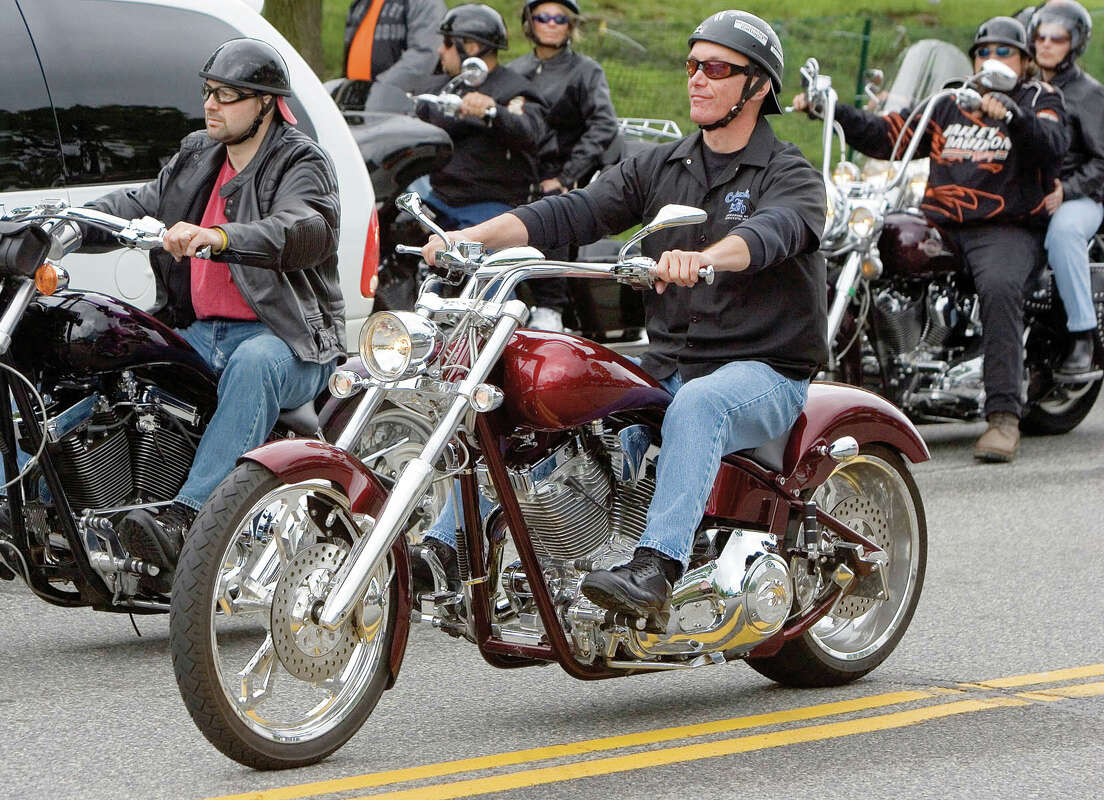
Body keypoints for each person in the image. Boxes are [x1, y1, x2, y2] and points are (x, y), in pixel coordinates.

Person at [415, 10, 827, 625]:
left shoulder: (789, 173)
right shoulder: (660, 166)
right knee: (528, 394)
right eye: (693, 65)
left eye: (716, 69)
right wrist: (468, 239)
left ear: (758, 86)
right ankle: (448, 549)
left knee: (701, 404)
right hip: (668, 361)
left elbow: (772, 233)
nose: (697, 79)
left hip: (762, 370)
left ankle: (656, 568)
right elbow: (569, 213)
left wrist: (705, 258)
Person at [80, 39, 344, 590]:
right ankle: (50, 506)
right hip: (202, 332)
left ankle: (189, 519)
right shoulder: (198, 154)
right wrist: (61, 221)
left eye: (228, 95)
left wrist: (220, 237)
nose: (212, 105)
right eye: (208, 92)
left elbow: (303, 228)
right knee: (108, 345)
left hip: (289, 340)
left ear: (266, 103)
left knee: (254, 364)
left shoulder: (301, 161)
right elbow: (137, 202)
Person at [795, 16, 1068, 462]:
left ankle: (1003, 417)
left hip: (1005, 226)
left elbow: (1053, 145)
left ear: (1023, 61)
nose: (991, 60)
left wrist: (1013, 117)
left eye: (1004, 53)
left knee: (999, 288)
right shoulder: (949, 102)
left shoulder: (1038, 98)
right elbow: (891, 135)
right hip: (943, 223)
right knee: (866, 258)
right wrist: (833, 110)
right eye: (984, 51)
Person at [510, 0, 619, 331]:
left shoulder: (585, 71)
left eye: (560, 18)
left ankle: (550, 309)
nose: (552, 24)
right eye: (543, 17)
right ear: (530, 22)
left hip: (560, 173)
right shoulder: (515, 70)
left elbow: (603, 125)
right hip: (518, 171)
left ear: (571, 25)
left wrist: (568, 175)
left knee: (551, 210)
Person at [410, 4, 549, 235]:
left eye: (447, 43)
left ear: (471, 47)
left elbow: (530, 131)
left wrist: (493, 111)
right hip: (440, 198)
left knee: (475, 259)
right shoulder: (442, 85)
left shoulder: (514, 89)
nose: (440, 51)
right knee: (390, 225)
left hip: (490, 205)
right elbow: (408, 113)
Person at [1028, 0, 1103, 381]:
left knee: (1064, 231)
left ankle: (1082, 335)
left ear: (1074, 43)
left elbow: (1102, 161)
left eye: (1056, 37)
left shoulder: (1088, 94)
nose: (1045, 44)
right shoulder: (1026, 88)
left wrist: (1067, 191)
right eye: (1040, 35)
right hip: (1032, 194)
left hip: (1082, 198)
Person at [343, 0, 448, 93]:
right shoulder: (360, 3)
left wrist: (379, 88)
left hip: (397, 103)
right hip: (355, 100)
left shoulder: (425, 3)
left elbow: (425, 54)